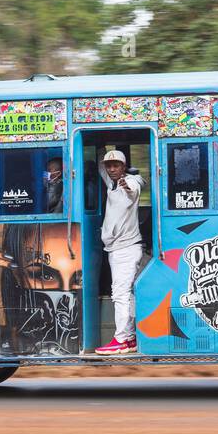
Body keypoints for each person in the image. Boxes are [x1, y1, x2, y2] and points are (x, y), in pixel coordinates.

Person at [96, 149, 144, 355]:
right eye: (109, 165)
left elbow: (133, 189)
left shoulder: (131, 182)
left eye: (116, 165)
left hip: (125, 248)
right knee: (126, 294)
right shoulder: (111, 183)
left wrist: (126, 185)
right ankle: (130, 338)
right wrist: (101, 148)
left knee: (120, 295)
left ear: (124, 166)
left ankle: (121, 340)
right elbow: (101, 168)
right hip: (118, 247)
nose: (112, 169)